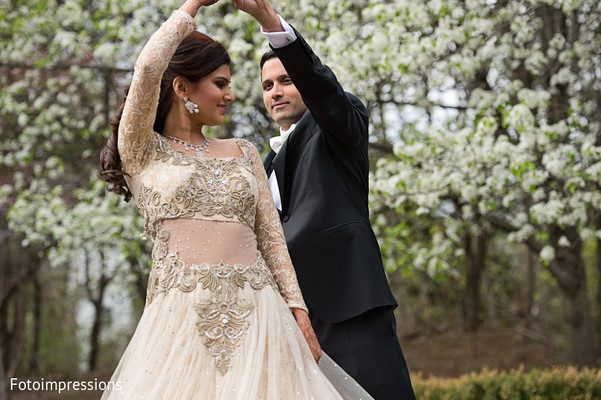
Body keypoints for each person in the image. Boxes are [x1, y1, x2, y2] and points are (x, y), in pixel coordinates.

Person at [99, 0, 373, 398]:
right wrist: (191, 6)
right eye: (221, 83)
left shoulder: (243, 152)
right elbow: (146, 69)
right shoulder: (142, 151)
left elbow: (271, 240)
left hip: (262, 314)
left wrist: (299, 315)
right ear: (182, 87)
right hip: (181, 320)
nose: (230, 95)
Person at [231, 1, 417, 399]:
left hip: (348, 303)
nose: (276, 92)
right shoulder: (260, 164)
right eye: (267, 86)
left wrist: (268, 21)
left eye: (285, 80)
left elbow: (322, 86)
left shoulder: (340, 122)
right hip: (291, 322)